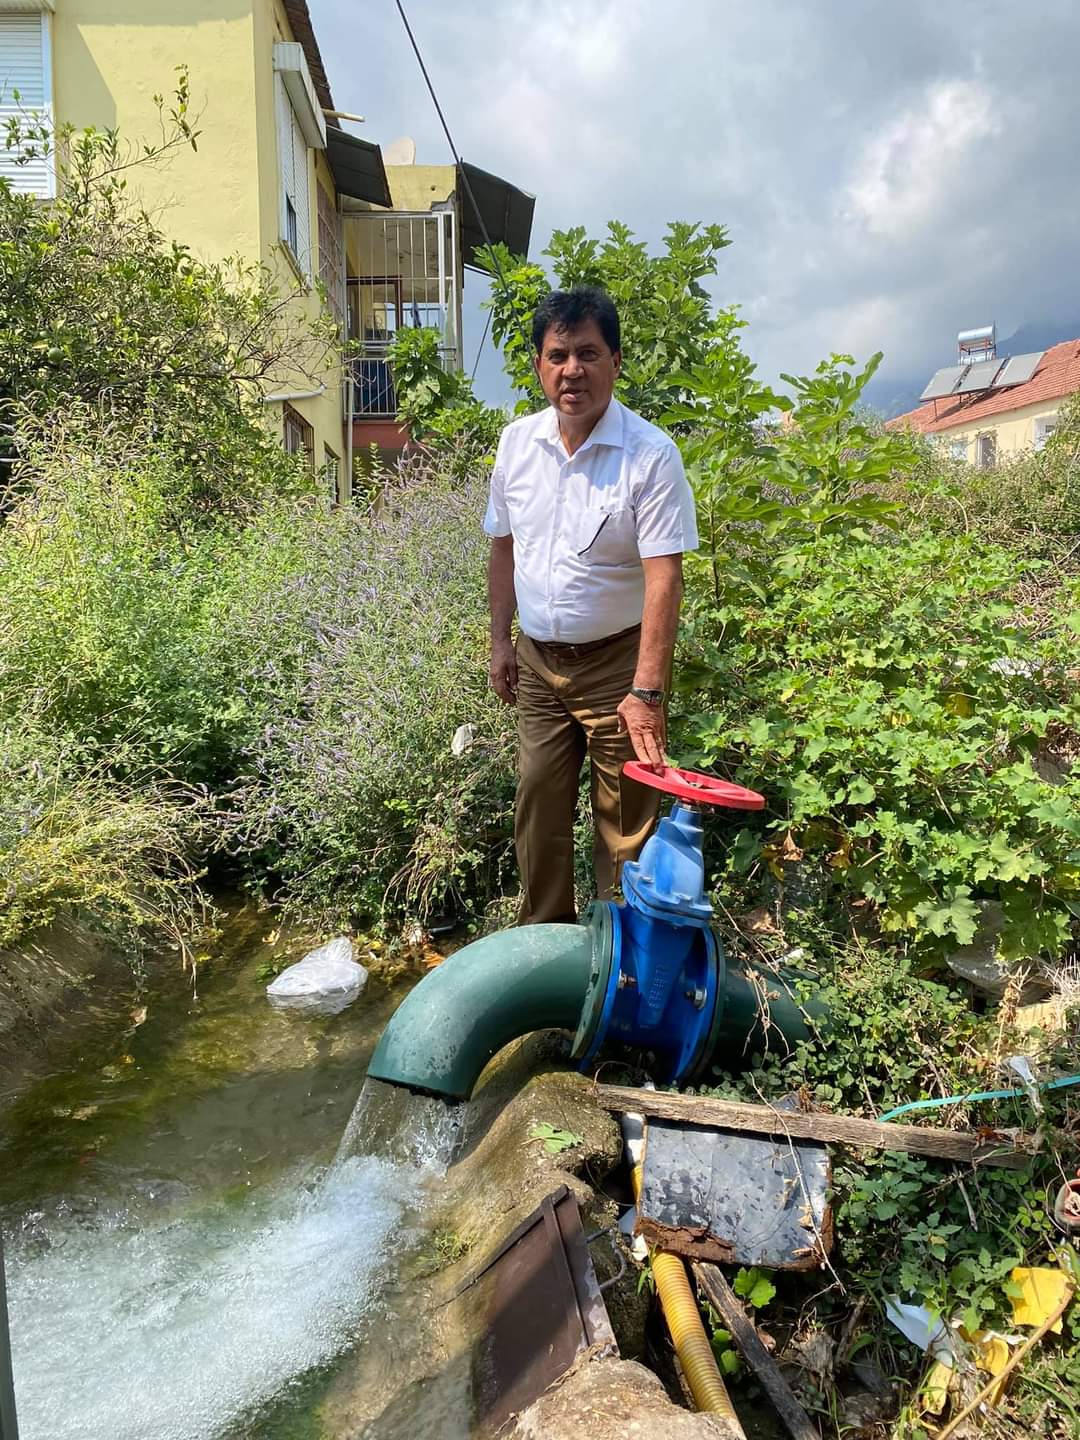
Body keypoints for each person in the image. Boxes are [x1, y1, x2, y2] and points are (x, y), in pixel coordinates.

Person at [484, 285, 699, 925]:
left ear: (615, 361)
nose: (571, 369)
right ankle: (545, 953)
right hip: (539, 665)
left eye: (587, 352)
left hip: (617, 666)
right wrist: (500, 641)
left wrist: (648, 692)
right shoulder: (517, 444)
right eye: (557, 355)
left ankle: (620, 965)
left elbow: (665, 578)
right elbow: (504, 550)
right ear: (538, 366)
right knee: (537, 808)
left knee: (625, 825)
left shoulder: (650, 455)